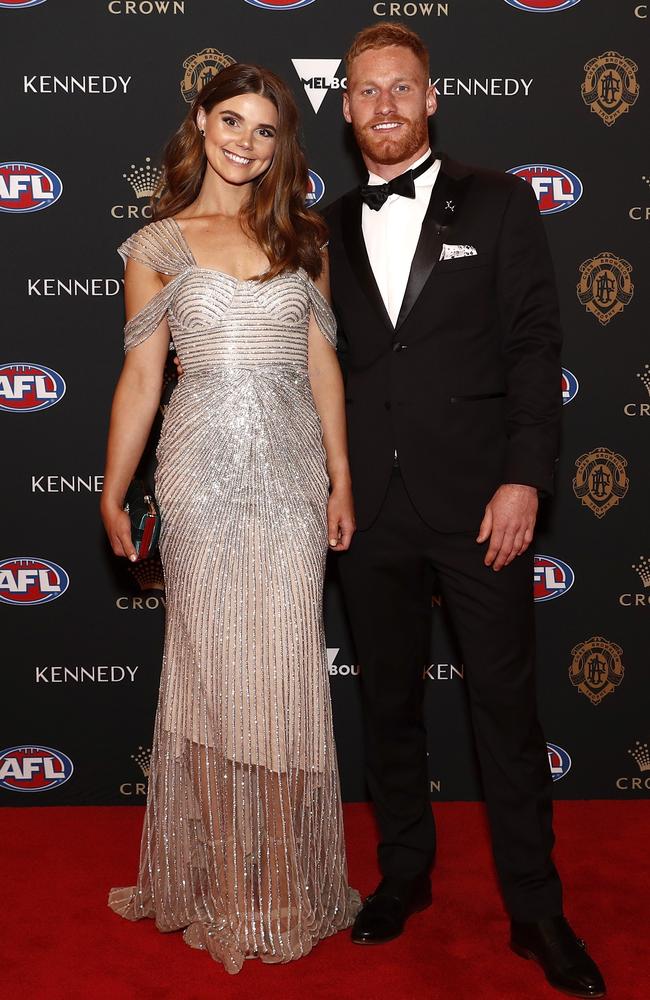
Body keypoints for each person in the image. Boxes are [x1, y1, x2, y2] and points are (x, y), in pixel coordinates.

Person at [324, 23, 605, 999]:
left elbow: (534, 342)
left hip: (481, 501)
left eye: (402, 87)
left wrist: (525, 474)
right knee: (388, 703)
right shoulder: (320, 227)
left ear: (430, 98)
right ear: (346, 105)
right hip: (366, 509)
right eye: (367, 90)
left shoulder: (498, 199)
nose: (386, 105)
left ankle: (534, 910)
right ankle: (404, 873)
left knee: (505, 712)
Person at [100, 62, 359, 975]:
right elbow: (142, 377)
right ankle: (214, 883)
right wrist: (112, 488)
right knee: (210, 674)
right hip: (202, 472)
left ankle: (284, 878)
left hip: (290, 478)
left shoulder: (305, 237)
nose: (247, 144)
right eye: (232, 122)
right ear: (201, 122)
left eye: (266, 131)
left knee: (285, 671)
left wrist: (339, 477)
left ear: (282, 144)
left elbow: (324, 367)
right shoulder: (158, 244)